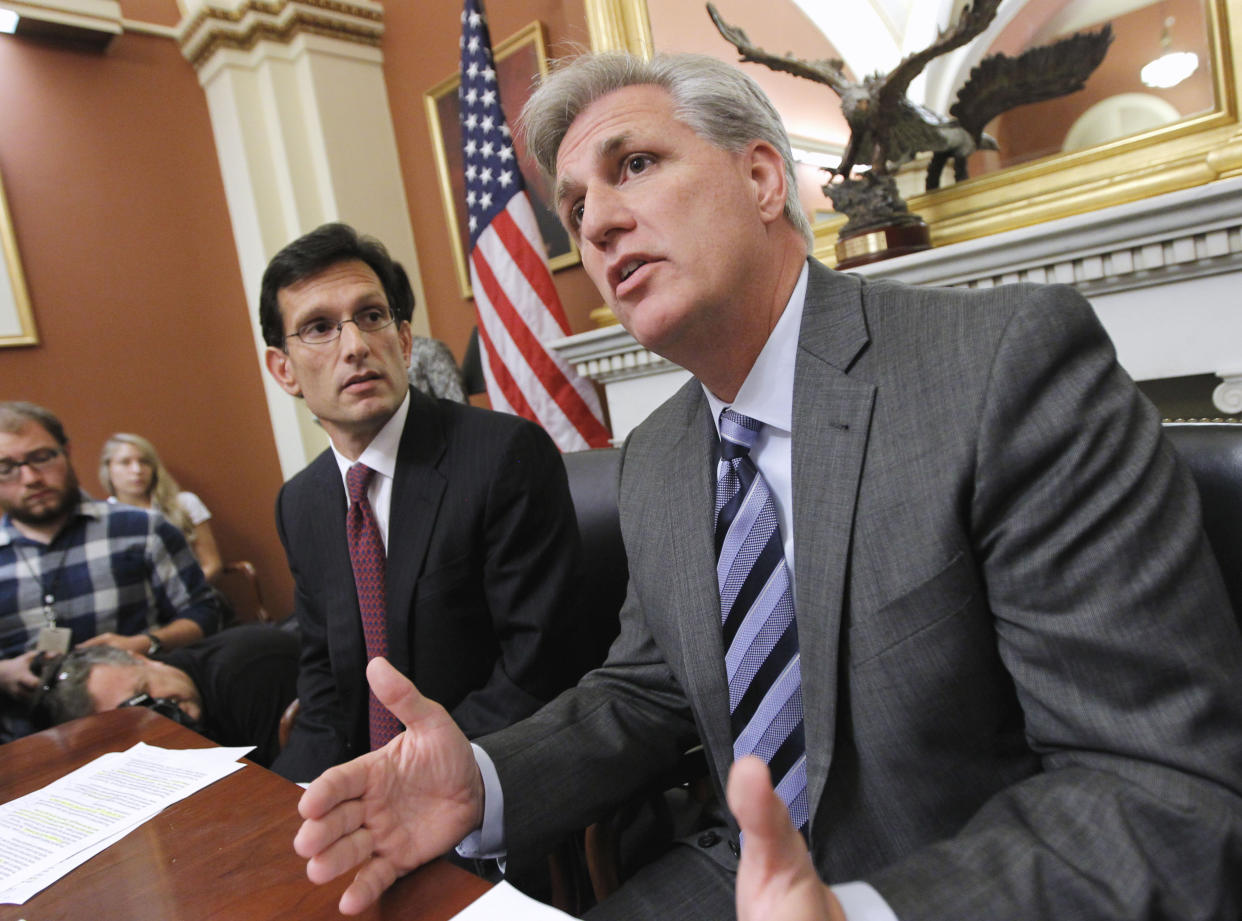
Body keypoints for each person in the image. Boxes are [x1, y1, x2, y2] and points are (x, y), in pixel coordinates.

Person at [291, 53, 1242, 920]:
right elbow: (643, 694)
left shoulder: (1002, 368)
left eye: (634, 166)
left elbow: (1159, 790)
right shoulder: (660, 452)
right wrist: (487, 782)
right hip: (728, 879)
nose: (598, 222)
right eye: (575, 205)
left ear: (759, 177)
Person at [258, 222, 584, 785]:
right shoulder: (302, 503)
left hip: (487, 781)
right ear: (284, 370)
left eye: (371, 316)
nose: (356, 345)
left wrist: (405, 782)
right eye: (319, 328)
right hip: (368, 793)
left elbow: (538, 670)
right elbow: (324, 695)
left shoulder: (502, 456)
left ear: (404, 342)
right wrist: (287, 805)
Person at [0, 402, 220, 742]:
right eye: (6, 467)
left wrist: (145, 643)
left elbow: (204, 614)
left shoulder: (142, 529)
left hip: (149, 729)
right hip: (27, 747)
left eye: (42, 457)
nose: (30, 478)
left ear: (67, 451)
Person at [37, 623, 299, 768]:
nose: (160, 710)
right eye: (136, 715)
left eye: (144, 692)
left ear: (143, 659)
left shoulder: (251, 671)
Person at [99, 432, 223, 583]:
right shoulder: (101, 520)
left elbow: (212, 565)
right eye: (125, 462)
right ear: (108, 469)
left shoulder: (184, 503)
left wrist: (185, 595)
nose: (137, 470)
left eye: (144, 462)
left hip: (193, 597)